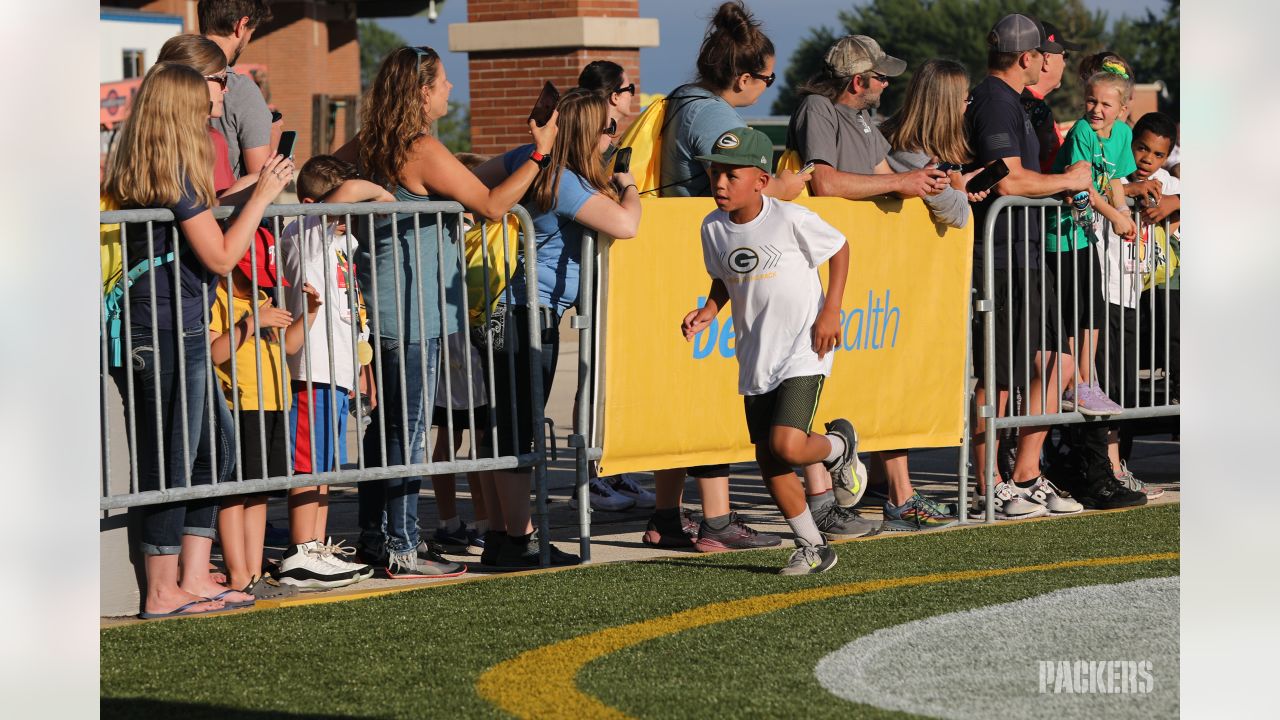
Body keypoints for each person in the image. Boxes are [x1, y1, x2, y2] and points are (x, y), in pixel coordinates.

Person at [334, 45, 556, 578]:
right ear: (421, 91)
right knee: (407, 432)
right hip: (413, 312)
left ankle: (375, 537)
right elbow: (494, 205)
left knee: (383, 430)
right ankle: (402, 547)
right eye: (444, 82)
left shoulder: (366, 145)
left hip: (380, 307)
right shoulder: (420, 147)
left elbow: (319, 181)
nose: (451, 90)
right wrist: (541, 153)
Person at [101, 61, 293, 618]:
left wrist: (255, 185)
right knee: (172, 460)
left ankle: (191, 575)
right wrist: (264, 196)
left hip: (179, 323)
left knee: (216, 449)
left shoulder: (172, 168)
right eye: (210, 89)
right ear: (182, 104)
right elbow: (221, 254)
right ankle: (162, 590)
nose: (221, 95)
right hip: (159, 328)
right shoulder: (174, 172)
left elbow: (206, 233)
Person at [645, 1, 820, 554]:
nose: (768, 88)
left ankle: (667, 515)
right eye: (766, 78)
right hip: (703, 261)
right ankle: (715, 518)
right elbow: (754, 192)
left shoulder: (681, 101)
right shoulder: (714, 116)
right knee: (701, 398)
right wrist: (792, 185)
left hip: (679, 257)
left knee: (680, 394)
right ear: (743, 77)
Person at [469, 89, 641, 567]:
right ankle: (516, 539)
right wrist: (625, 183)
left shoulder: (532, 159)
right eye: (609, 127)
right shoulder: (565, 182)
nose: (615, 134)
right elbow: (627, 225)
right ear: (587, 132)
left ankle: (507, 536)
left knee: (512, 426)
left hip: (517, 310)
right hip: (524, 313)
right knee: (518, 429)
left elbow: (475, 182)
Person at [681, 127, 863, 574]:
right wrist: (709, 309)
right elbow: (723, 276)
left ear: (761, 180)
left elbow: (839, 248)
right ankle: (812, 547)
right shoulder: (712, 227)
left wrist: (832, 310)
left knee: (787, 444)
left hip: (805, 347)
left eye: (731, 174)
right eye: (714, 172)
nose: (719, 183)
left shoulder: (790, 218)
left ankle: (839, 447)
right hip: (755, 357)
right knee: (770, 461)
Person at [965, 14, 1101, 519]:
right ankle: (989, 483)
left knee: (1032, 364)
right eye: (1041, 54)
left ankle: (1023, 475)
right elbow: (1011, 182)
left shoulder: (1009, 100)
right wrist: (1069, 180)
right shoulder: (998, 101)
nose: (1047, 60)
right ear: (1026, 58)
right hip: (1000, 256)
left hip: (1021, 253)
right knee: (998, 376)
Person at [878, 58, 994, 531]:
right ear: (945, 102)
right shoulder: (908, 147)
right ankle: (898, 495)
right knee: (892, 383)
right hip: (895, 285)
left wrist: (957, 187)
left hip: (911, 285)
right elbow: (954, 213)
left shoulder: (921, 148)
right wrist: (960, 191)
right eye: (964, 97)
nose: (969, 105)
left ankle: (898, 491)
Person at [275, 155, 388, 586]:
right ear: (310, 203)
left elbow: (350, 308)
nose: (348, 217)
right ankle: (301, 551)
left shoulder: (341, 241)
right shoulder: (304, 232)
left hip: (339, 366)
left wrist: (364, 366)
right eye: (340, 206)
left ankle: (317, 546)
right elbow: (349, 196)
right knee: (309, 464)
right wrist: (378, 190)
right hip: (312, 368)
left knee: (326, 464)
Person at [1045, 62, 1138, 419]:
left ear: (1123, 110)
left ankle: (1089, 382)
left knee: (1091, 308)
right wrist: (1115, 216)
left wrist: (1122, 210)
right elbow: (1082, 182)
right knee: (1073, 307)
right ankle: (1077, 382)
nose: (1096, 110)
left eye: (1105, 105)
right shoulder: (1083, 130)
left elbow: (1114, 179)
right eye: (1090, 101)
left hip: (1084, 235)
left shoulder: (1124, 136)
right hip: (1060, 233)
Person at [1094, 111, 1179, 499]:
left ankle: (1117, 465)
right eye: (1141, 148)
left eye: (1158, 154)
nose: (1147, 159)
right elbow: (1092, 190)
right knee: (1107, 384)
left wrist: (1177, 201)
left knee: (1124, 385)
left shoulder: (1165, 183)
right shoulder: (1114, 176)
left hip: (1139, 296)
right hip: (1106, 291)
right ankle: (1106, 466)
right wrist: (1125, 194)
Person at [786, 34, 951, 200]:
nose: (886, 83)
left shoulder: (861, 114)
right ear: (858, 82)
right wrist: (900, 181)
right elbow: (825, 185)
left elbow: (887, 180)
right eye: (881, 77)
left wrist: (924, 180)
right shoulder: (817, 106)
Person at [199, 0, 278, 178]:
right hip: (225, 204)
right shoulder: (241, 88)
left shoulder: (165, 77)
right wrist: (274, 135)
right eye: (252, 32)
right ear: (241, 25)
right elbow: (261, 180)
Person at [1020, 21, 1083, 173]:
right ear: (1046, 60)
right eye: (1064, 56)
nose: (1065, 65)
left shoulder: (1021, 100)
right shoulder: (1031, 107)